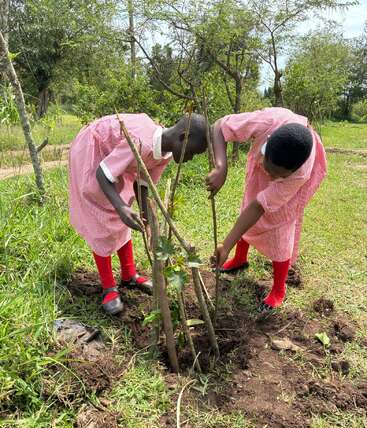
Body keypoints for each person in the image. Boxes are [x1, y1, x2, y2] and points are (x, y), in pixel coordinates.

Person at [69, 112, 207, 314]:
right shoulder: (141, 141)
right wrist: (121, 208)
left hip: (114, 158)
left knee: (123, 211)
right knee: (102, 214)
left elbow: (143, 181)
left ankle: (129, 274)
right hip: (94, 151)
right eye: (191, 152)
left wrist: (144, 214)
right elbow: (102, 173)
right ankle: (109, 287)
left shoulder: (165, 154)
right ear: (183, 137)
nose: (190, 158)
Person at [207, 107, 327, 310]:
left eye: (278, 176)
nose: (271, 178)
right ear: (266, 146)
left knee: (280, 222)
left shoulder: (299, 174)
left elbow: (259, 207)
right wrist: (221, 167)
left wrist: (225, 244)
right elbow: (219, 125)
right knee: (250, 199)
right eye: (270, 170)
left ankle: (279, 289)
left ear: (291, 172)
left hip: (290, 181)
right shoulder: (266, 121)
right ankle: (239, 259)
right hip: (276, 155)